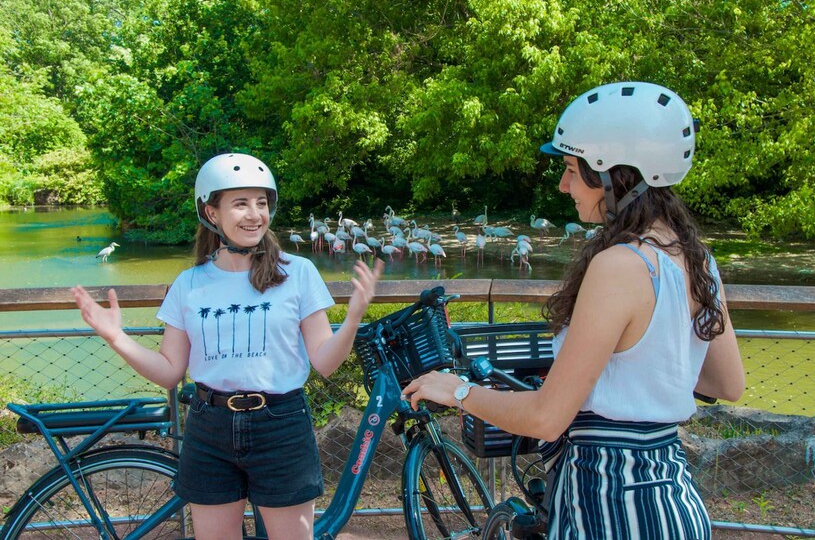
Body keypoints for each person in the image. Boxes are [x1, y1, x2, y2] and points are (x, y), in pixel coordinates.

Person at [402, 82, 745, 539]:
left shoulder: (619, 265)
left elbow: (547, 418)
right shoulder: (693, 256)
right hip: (672, 501)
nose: (563, 185)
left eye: (570, 169)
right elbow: (727, 383)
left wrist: (457, 391)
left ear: (614, 174)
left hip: (609, 505)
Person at [72, 153, 384, 540]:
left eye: (261, 202)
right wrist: (117, 338)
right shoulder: (189, 283)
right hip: (210, 426)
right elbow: (170, 370)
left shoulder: (297, 272)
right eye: (240, 203)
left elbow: (324, 362)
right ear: (212, 212)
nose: (255, 214)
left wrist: (353, 318)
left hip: (281, 424)